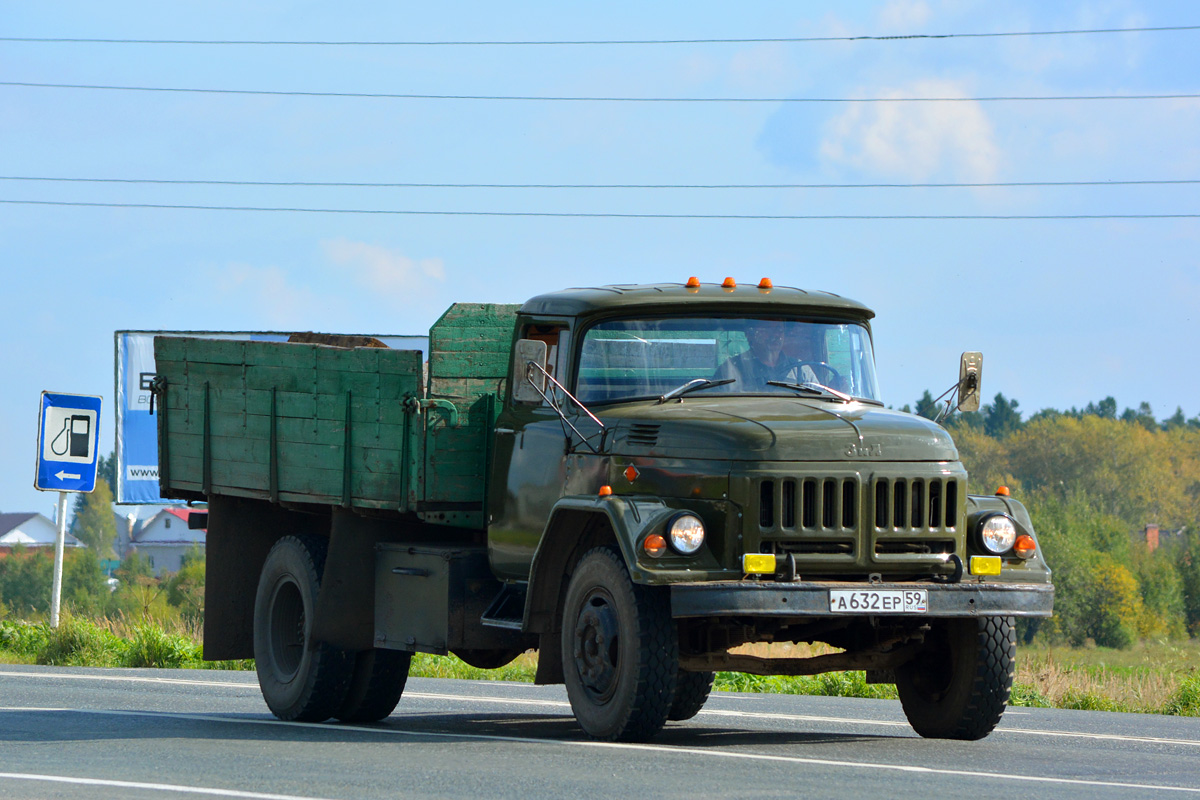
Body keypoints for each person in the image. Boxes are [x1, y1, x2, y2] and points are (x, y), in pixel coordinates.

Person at [714, 320, 819, 390]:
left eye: (779, 329)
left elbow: (821, 400)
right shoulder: (731, 369)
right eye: (767, 329)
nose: (775, 335)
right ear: (750, 334)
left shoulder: (800, 370)